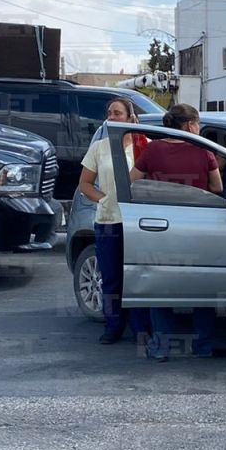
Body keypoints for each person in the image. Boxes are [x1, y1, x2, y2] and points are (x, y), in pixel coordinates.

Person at [132, 103, 221, 360]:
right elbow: (217, 188)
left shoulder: (152, 149)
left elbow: (131, 181)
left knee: (161, 287)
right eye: (199, 124)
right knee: (204, 288)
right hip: (199, 227)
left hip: (162, 226)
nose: (200, 128)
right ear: (190, 125)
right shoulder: (205, 151)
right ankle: (203, 347)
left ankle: (160, 347)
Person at [78, 97, 150, 344]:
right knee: (110, 276)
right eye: (109, 113)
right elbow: (84, 184)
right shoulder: (100, 147)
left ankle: (142, 328)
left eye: (117, 113)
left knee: (137, 276)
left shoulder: (145, 145)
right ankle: (113, 325)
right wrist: (103, 198)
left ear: (130, 117)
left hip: (137, 222)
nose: (112, 117)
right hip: (109, 221)